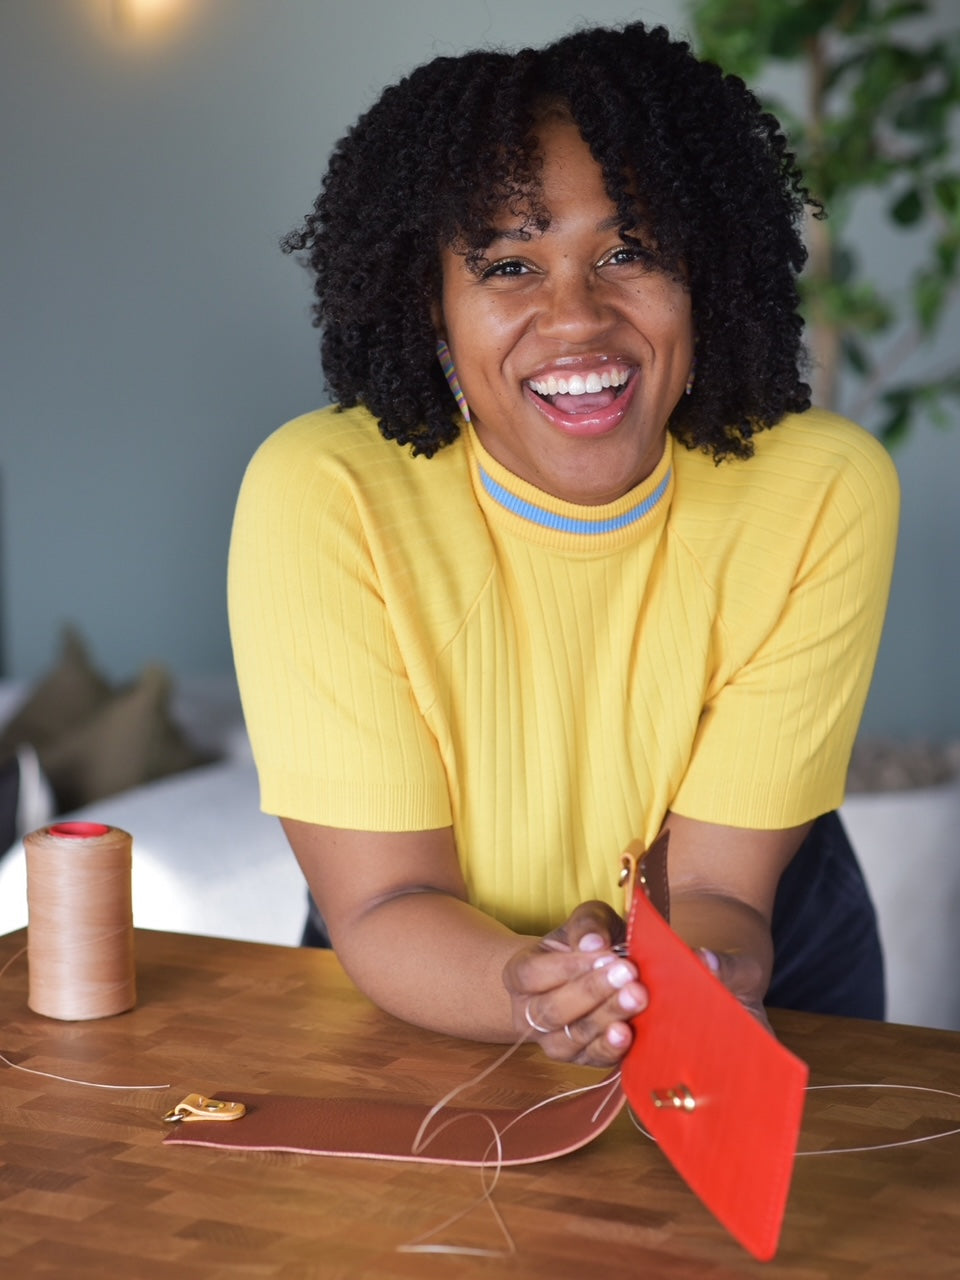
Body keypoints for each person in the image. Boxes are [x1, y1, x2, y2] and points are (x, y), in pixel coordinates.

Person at [227, 22, 899, 1069]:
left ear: (704, 277)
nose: (575, 317)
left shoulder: (821, 489)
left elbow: (720, 889)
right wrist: (534, 991)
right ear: (433, 309)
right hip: (419, 962)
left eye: (628, 251)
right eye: (507, 264)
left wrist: (684, 989)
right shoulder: (325, 494)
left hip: (758, 947)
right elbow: (387, 900)